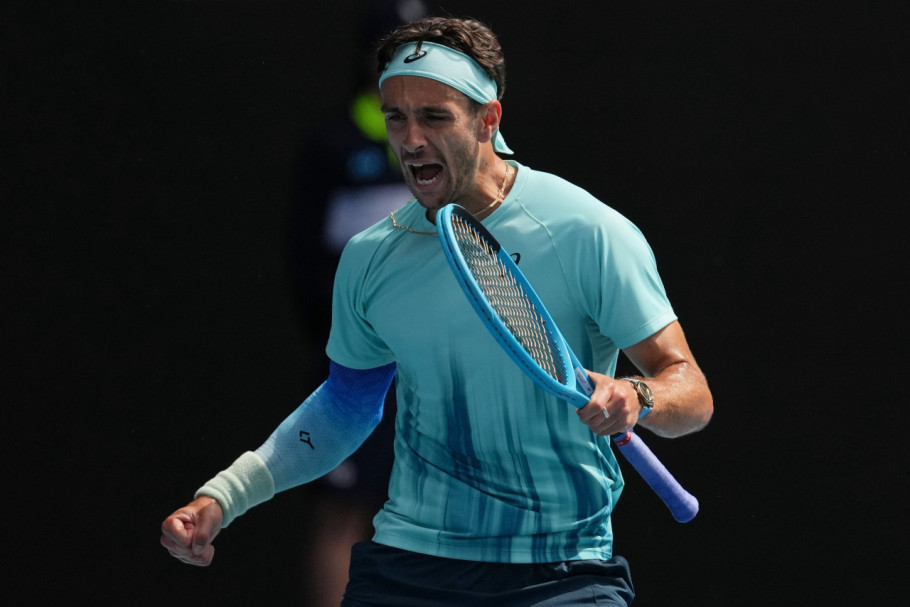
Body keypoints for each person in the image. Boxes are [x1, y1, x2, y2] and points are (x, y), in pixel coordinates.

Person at [161, 16, 713, 606]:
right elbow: (345, 406)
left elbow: (692, 393)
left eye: (434, 116)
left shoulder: (587, 231)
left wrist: (638, 395)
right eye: (396, 117)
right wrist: (225, 496)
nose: (411, 139)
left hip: (562, 574)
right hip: (410, 569)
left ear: (488, 119)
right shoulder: (371, 257)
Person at [288, 2, 427, 604]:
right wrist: (345, 339)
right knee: (345, 509)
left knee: (429, 511)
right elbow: (302, 260)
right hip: (352, 365)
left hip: (433, 368)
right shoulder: (332, 144)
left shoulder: (455, 148)